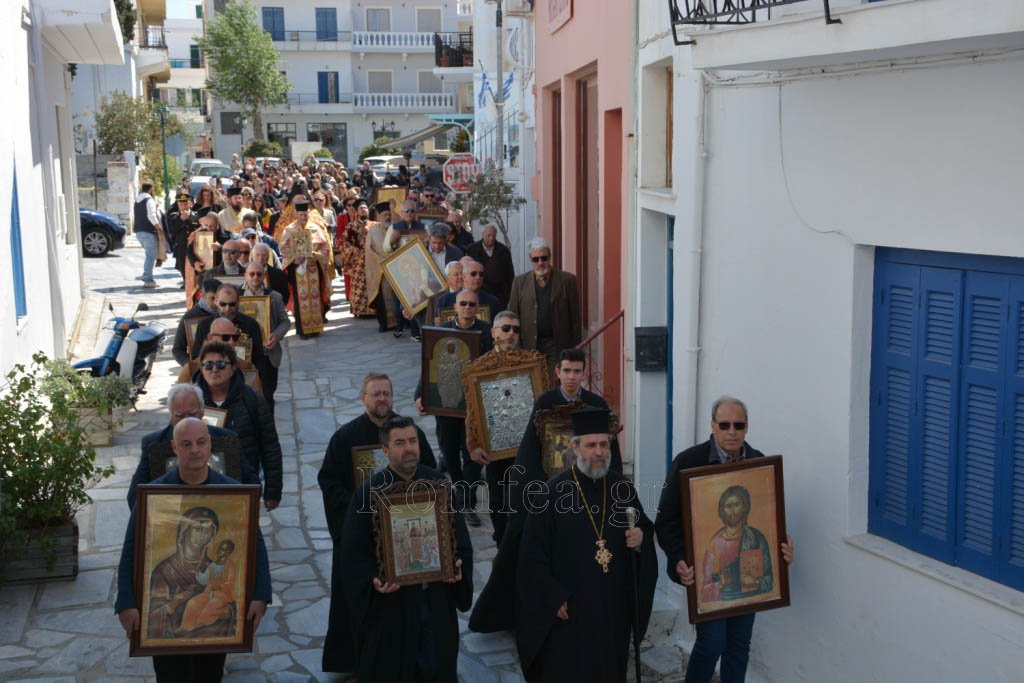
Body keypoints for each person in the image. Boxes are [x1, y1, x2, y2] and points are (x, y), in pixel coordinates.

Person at [469, 347, 623, 632]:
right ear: (557, 373)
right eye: (566, 371)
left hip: (588, 495)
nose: (572, 377)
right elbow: (530, 454)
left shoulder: (596, 404)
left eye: (577, 371)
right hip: (552, 495)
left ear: (584, 373)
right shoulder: (544, 404)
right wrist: (541, 490)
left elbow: (606, 452)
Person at [115, 417, 271, 683]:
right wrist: (126, 602)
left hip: (215, 635)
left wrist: (260, 594)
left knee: (209, 676)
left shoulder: (234, 493)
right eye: (186, 444)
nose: (195, 450)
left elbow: (255, 545)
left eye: (201, 442)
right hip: (165, 638)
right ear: (175, 448)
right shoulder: (154, 495)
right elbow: (131, 550)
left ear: (210, 444)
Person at [655, 396, 795, 683]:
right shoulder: (687, 461)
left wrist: (782, 548)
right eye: (725, 424)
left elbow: (769, 522)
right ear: (713, 426)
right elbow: (665, 522)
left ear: (746, 427)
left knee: (739, 645)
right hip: (709, 583)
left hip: (749, 585)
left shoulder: (759, 463)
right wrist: (680, 558)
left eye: (739, 425)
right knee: (711, 644)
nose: (732, 431)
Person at [516, 407, 657, 683]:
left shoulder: (621, 487)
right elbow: (532, 555)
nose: (599, 452)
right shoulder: (551, 493)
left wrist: (640, 538)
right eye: (591, 445)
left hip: (612, 606)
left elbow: (645, 529)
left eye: (604, 444)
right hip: (571, 608)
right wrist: (551, 596)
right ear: (575, 447)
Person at [317, 374, 438, 676]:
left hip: (406, 527)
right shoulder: (345, 438)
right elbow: (329, 482)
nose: (382, 399)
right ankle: (359, 663)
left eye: (387, 393)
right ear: (363, 399)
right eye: (375, 394)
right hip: (363, 533)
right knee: (361, 600)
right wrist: (362, 508)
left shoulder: (410, 432)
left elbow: (431, 473)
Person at [337, 415, 472, 683]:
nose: (409, 448)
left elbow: (461, 541)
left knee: (437, 669)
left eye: (413, 441)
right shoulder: (368, 493)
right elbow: (353, 554)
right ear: (385, 450)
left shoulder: (440, 486)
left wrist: (456, 567)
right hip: (392, 608)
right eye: (400, 443)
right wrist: (372, 581)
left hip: (435, 601)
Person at [464, 310, 547, 544]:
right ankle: (503, 545)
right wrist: (472, 445)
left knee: (530, 501)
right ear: (493, 332)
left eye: (516, 329)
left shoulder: (533, 363)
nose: (511, 334)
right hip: (496, 452)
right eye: (506, 328)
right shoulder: (478, 368)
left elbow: (543, 408)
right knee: (499, 504)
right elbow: (472, 413)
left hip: (529, 449)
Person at [415, 289, 493, 527]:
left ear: (477, 307)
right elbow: (430, 366)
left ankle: (467, 501)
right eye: (463, 304)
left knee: (473, 454)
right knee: (449, 454)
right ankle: (460, 491)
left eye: (472, 304)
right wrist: (421, 395)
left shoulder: (487, 333)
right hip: (447, 405)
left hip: (474, 407)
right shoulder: (441, 333)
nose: (468, 308)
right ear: (455, 307)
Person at [126, 383, 255, 509]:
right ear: (171, 416)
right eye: (179, 416)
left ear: (202, 412)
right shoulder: (154, 443)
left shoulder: (226, 439)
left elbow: (251, 483)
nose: (186, 420)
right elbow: (135, 497)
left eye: (192, 414)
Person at [193, 341, 283, 511]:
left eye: (221, 364)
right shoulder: (191, 401)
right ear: (201, 368)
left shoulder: (252, 400)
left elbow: (270, 445)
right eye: (208, 365)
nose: (214, 370)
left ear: (233, 367)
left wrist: (273, 490)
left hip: (243, 485)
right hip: (201, 486)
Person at [191, 284, 275, 408]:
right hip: (213, 386)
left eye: (232, 304)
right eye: (223, 304)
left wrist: (262, 392)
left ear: (238, 302)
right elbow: (196, 358)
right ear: (215, 302)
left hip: (244, 385)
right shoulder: (204, 326)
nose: (227, 309)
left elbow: (259, 359)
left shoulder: (251, 325)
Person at [508, 236, 582, 373]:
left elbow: (575, 319)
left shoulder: (567, 280)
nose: (540, 263)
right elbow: (513, 315)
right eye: (536, 259)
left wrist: (576, 349)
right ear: (531, 259)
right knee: (533, 383)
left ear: (550, 257)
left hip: (557, 343)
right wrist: (515, 346)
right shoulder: (519, 283)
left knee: (553, 382)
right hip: (529, 344)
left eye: (544, 258)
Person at [279, 198, 332, 337]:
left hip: (314, 268)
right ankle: (303, 330)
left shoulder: (316, 228)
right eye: (301, 214)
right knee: (300, 298)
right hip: (297, 270)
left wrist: (317, 256)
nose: (304, 217)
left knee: (315, 296)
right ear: (296, 214)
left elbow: (326, 248)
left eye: (306, 214)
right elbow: (283, 249)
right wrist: (294, 258)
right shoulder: (289, 230)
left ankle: (316, 327)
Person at [241, 262, 291, 410]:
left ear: (264, 276)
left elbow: (285, 322)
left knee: (267, 396)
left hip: (267, 355)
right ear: (245, 275)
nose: (255, 277)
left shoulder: (274, 296)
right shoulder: (236, 296)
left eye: (259, 274)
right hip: (243, 356)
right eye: (251, 274)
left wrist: (276, 335)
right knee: (245, 397)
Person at [171, 278, 221, 366]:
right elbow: (177, 350)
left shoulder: (227, 312)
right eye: (212, 298)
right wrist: (191, 365)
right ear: (202, 295)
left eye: (218, 299)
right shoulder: (189, 317)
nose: (216, 303)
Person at [466, 224, 515, 309]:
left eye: (493, 235)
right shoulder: (472, 249)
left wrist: (509, 295)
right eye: (489, 235)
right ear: (483, 234)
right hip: (479, 293)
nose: (491, 238)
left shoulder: (504, 251)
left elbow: (510, 274)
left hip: (500, 294)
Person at [185, 213, 228, 309]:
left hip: (221, 273)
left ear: (217, 225)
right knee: (205, 297)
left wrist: (221, 248)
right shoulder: (200, 235)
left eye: (212, 226)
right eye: (206, 225)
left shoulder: (226, 236)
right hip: (204, 272)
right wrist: (195, 262)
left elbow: (233, 251)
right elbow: (189, 251)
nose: (209, 228)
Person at [338, 199, 373, 316]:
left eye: (365, 208)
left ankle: (374, 309)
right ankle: (360, 310)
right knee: (359, 285)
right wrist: (352, 249)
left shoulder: (374, 225)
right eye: (361, 208)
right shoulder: (351, 226)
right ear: (357, 211)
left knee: (372, 283)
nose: (364, 210)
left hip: (372, 259)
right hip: (357, 261)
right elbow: (342, 242)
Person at [436, 260, 500, 320]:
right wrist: (437, 326)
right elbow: (434, 328)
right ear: (464, 277)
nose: (478, 277)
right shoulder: (444, 301)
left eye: (481, 274)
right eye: (473, 274)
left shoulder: (493, 302)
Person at [365, 201, 394, 332]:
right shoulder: (373, 230)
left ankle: (400, 321)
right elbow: (369, 250)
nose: (387, 217)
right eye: (384, 215)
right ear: (379, 216)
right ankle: (385, 323)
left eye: (389, 214)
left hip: (396, 267)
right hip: (380, 269)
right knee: (383, 297)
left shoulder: (395, 228)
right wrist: (382, 262)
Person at [133, 182, 164, 289]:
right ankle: (148, 279)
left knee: (148, 255)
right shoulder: (149, 200)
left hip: (138, 231)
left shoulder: (137, 200)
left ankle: (146, 274)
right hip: (148, 231)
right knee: (151, 256)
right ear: (151, 189)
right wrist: (158, 226)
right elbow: (151, 215)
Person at [166, 191, 199, 288]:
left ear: (190, 203)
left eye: (185, 203)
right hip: (181, 245)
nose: (183, 205)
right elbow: (172, 231)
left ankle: (195, 283)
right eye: (181, 203)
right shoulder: (173, 215)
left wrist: (189, 218)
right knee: (182, 265)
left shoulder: (196, 215)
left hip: (195, 245)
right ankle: (186, 282)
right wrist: (180, 220)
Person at [252, 242, 290, 306]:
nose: (260, 258)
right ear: (253, 257)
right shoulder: (245, 273)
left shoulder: (279, 274)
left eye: (264, 255)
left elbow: (285, 295)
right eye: (257, 255)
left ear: (268, 257)